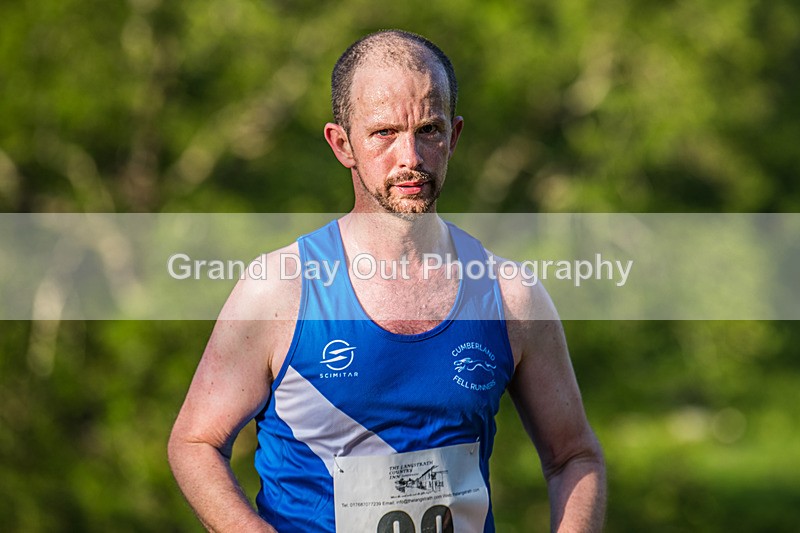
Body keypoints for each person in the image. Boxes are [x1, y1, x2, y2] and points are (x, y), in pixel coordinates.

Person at [168, 29, 606, 532]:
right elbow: (195, 443)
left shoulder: (509, 295)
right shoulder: (281, 287)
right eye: (384, 133)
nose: (411, 158)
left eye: (429, 130)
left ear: (454, 136)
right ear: (342, 144)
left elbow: (574, 457)